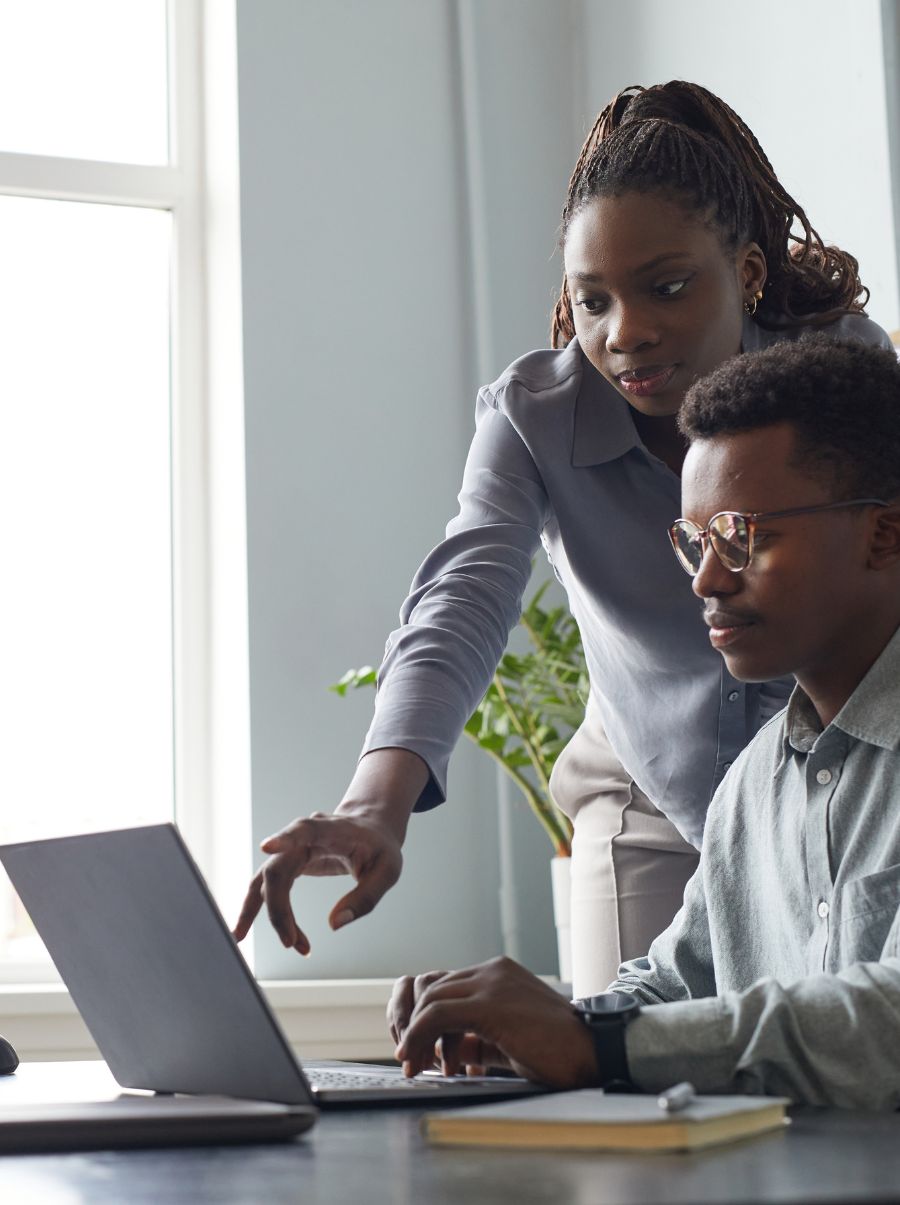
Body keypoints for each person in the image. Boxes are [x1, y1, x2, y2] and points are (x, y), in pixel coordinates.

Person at [233, 82, 893, 997]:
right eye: (593, 302)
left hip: (847, 771)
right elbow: (462, 599)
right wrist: (374, 805)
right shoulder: (536, 416)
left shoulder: (842, 376)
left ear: (745, 272)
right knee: (618, 1071)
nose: (627, 333)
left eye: (666, 287)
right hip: (648, 790)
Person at [388, 336, 900, 1109]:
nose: (705, 577)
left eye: (742, 536)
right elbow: (673, 986)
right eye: (696, 540)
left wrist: (597, 1046)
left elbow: (886, 1023)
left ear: (884, 533)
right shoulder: (753, 785)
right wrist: (528, 1025)